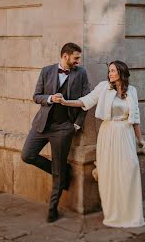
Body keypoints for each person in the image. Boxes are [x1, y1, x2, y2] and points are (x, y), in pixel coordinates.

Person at [58, 60, 145, 228]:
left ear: (121, 72)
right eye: (109, 71)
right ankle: (114, 214)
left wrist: (141, 141)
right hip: (108, 133)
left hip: (126, 134)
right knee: (110, 174)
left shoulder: (132, 91)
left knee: (130, 169)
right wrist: (65, 102)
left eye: (113, 71)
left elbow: (135, 119)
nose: (110, 73)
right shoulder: (103, 87)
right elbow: (85, 101)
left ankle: (131, 214)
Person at [21, 42, 90, 223]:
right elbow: (36, 96)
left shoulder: (81, 73)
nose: (78, 61)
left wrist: (76, 125)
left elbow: (87, 101)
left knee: (58, 170)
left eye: (78, 58)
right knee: (27, 155)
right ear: (65, 56)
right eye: (75, 58)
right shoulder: (46, 71)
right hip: (42, 125)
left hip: (63, 129)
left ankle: (52, 209)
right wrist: (50, 98)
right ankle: (64, 171)